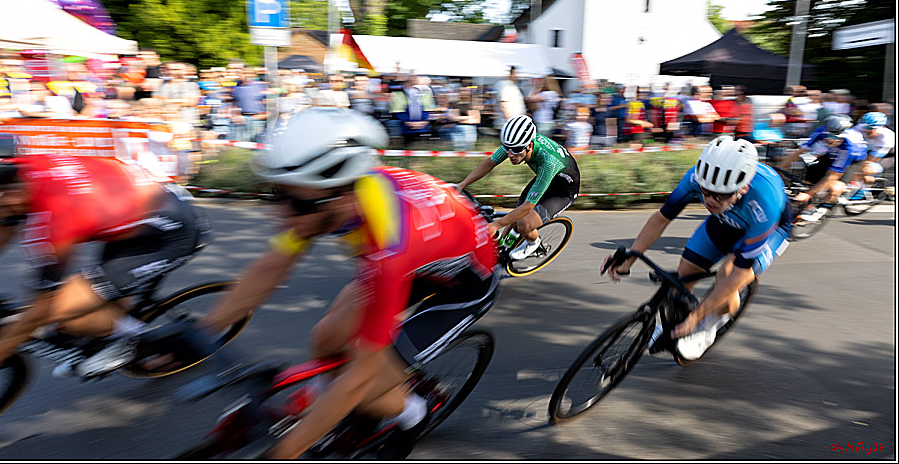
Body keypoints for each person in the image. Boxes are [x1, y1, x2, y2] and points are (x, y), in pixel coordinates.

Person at [192, 107, 499, 459]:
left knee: (364, 391)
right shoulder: (330, 197)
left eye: (297, 204)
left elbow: (359, 378)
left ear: (341, 194)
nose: (282, 214)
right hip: (425, 256)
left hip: (464, 284)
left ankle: (412, 413)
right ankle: (336, 416)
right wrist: (202, 330)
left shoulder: (388, 247)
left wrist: (284, 452)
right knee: (325, 337)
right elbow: (272, 265)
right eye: (278, 194)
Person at [0, 133, 210, 390]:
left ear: (0, 195)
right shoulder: (15, 180)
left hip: (168, 233)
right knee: (91, 305)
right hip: (131, 217)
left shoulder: (55, 219)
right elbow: (1, 224)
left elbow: (40, 311)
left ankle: (143, 342)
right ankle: (117, 326)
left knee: (64, 317)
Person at [605, 136, 791, 360]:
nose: (709, 200)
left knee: (727, 275)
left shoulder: (764, 203)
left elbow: (740, 271)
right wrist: (632, 257)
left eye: (719, 195)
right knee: (683, 276)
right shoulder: (696, 176)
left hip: (769, 229)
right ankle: (677, 325)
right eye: (704, 191)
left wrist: (697, 317)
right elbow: (661, 218)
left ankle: (708, 329)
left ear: (743, 188)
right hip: (727, 219)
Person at [455, 114, 580, 261]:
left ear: (530, 145)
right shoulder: (516, 143)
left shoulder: (548, 162)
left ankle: (534, 243)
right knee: (516, 212)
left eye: (516, 150)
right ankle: (502, 248)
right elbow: (490, 163)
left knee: (524, 223)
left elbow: (527, 207)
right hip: (548, 178)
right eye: (506, 148)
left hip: (563, 191)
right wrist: (462, 185)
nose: (510, 154)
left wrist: (495, 225)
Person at [776, 114, 868, 222]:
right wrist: (778, 169)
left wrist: (808, 194)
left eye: (835, 137)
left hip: (853, 160)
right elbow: (798, 152)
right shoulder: (821, 131)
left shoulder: (849, 146)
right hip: (833, 153)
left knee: (834, 187)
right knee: (809, 178)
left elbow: (832, 176)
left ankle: (821, 210)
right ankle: (809, 202)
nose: (830, 140)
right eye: (828, 136)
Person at [847, 112, 895, 200]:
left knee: (866, 169)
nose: (867, 130)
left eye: (871, 128)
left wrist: (860, 169)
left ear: (882, 127)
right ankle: (863, 182)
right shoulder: (858, 128)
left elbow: (871, 159)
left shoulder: (888, 137)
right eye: (865, 127)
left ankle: (864, 189)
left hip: (888, 156)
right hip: (867, 150)